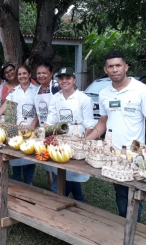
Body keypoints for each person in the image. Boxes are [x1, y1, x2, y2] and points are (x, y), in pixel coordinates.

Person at [85, 50, 146, 222]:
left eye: (118, 65)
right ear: (105, 70)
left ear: (126, 67)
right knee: (120, 191)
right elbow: (103, 122)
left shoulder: (141, 90)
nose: (115, 69)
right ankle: (124, 226)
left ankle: (133, 229)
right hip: (113, 155)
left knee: (134, 194)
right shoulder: (104, 93)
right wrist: (85, 141)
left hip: (135, 154)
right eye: (110, 66)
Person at [46, 67, 95, 201]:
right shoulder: (56, 98)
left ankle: (66, 200)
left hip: (78, 142)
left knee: (73, 174)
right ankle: (72, 200)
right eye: (61, 78)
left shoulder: (83, 98)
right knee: (63, 174)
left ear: (74, 80)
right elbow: (50, 122)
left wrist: (83, 144)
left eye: (68, 78)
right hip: (60, 143)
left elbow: (89, 125)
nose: (64, 81)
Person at [0, 65, 38, 184]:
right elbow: (5, 106)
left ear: (29, 75)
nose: (22, 76)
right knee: (16, 154)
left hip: (31, 129)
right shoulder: (15, 91)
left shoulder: (36, 90)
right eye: (19, 74)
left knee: (30, 155)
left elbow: (39, 112)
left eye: (24, 73)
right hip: (17, 129)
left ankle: (29, 182)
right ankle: (16, 181)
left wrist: (33, 125)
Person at [32, 63, 61, 189]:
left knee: (57, 158)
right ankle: (51, 181)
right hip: (43, 129)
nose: (41, 75)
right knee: (46, 156)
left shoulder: (56, 88)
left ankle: (57, 188)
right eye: (39, 73)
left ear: (51, 74)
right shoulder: (38, 90)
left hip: (56, 129)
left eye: (44, 73)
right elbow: (39, 112)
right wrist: (35, 124)